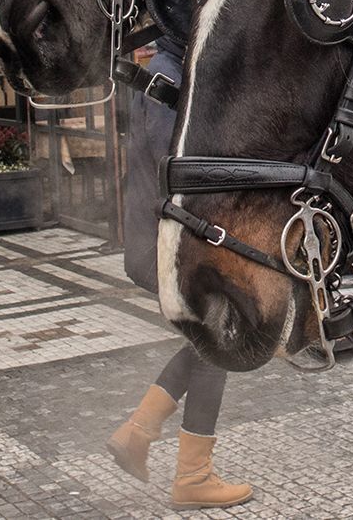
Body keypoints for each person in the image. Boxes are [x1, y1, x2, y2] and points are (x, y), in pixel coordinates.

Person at [107, 40, 252, 509]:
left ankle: (141, 434)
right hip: (173, 242)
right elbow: (184, 174)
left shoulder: (174, 69)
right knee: (217, 338)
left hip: (173, 237)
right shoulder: (169, 79)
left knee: (210, 339)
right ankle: (190, 474)